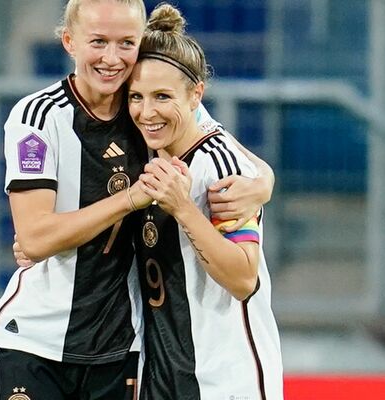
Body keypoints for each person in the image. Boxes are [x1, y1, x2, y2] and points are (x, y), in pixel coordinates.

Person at [0, 0, 274, 398]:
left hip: (124, 352)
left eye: (126, 43)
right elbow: (34, 239)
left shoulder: (149, 106)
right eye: (98, 41)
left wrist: (263, 183)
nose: (111, 58)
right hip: (35, 341)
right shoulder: (38, 117)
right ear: (69, 41)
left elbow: (225, 149)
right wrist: (133, 199)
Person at [129, 4, 283, 399]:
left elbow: (243, 279)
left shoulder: (223, 169)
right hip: (162, 376)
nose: (147, 112)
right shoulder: (147, 147)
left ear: (197, 94)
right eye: (136, 97)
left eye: (162, 96)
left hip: (225, 381)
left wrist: (184, 209)